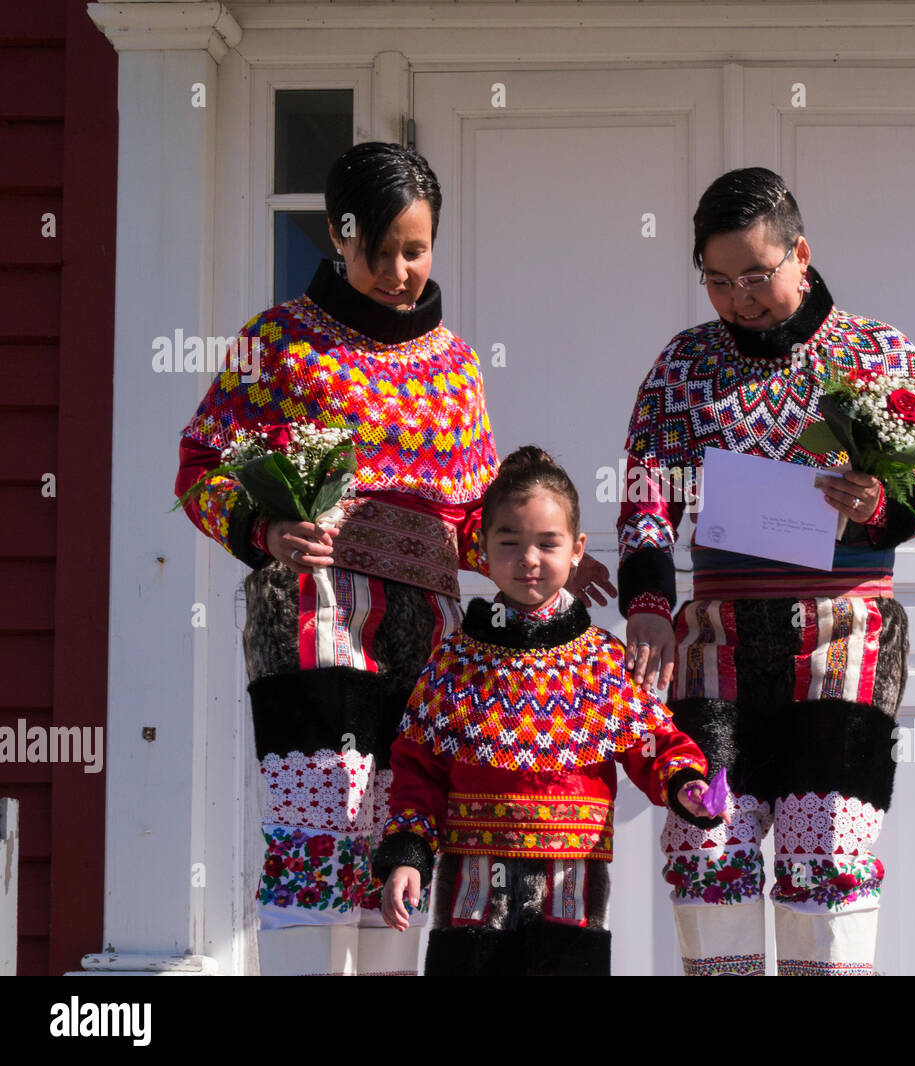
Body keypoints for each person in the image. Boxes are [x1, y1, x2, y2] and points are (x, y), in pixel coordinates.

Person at [174, 142, 610, 975]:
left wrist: (539, 562)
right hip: (314, 623)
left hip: (430, 639)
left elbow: (473, 508)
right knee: (320, 824)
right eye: (380, 251)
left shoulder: (454, 364)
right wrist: (261, 534)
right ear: (338, 238)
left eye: (415, 249)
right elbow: (201, 466)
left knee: (403, 835)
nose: (399, 270)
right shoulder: (280, 344)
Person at [617, 167, 915, 976]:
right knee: (708, 845)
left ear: (801, 254)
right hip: (718, 639)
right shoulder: (682, 367)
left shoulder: (878, 354)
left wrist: (881, 499)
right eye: (716, 280)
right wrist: (644, 603)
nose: (739, 298)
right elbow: (645, 500)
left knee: (827, 856)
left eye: (755, 275)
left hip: (843, 633)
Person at [374, 446, 719, 976]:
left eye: (546, 543)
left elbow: (651, 740)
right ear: (483, 551)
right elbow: (417, 767)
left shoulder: (602, 659)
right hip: (472, 882)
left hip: (571, 883)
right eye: (509, 543)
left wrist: (685, 781)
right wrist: (407, 855)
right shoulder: (455, 660)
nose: (528, 559)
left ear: (577, 549)